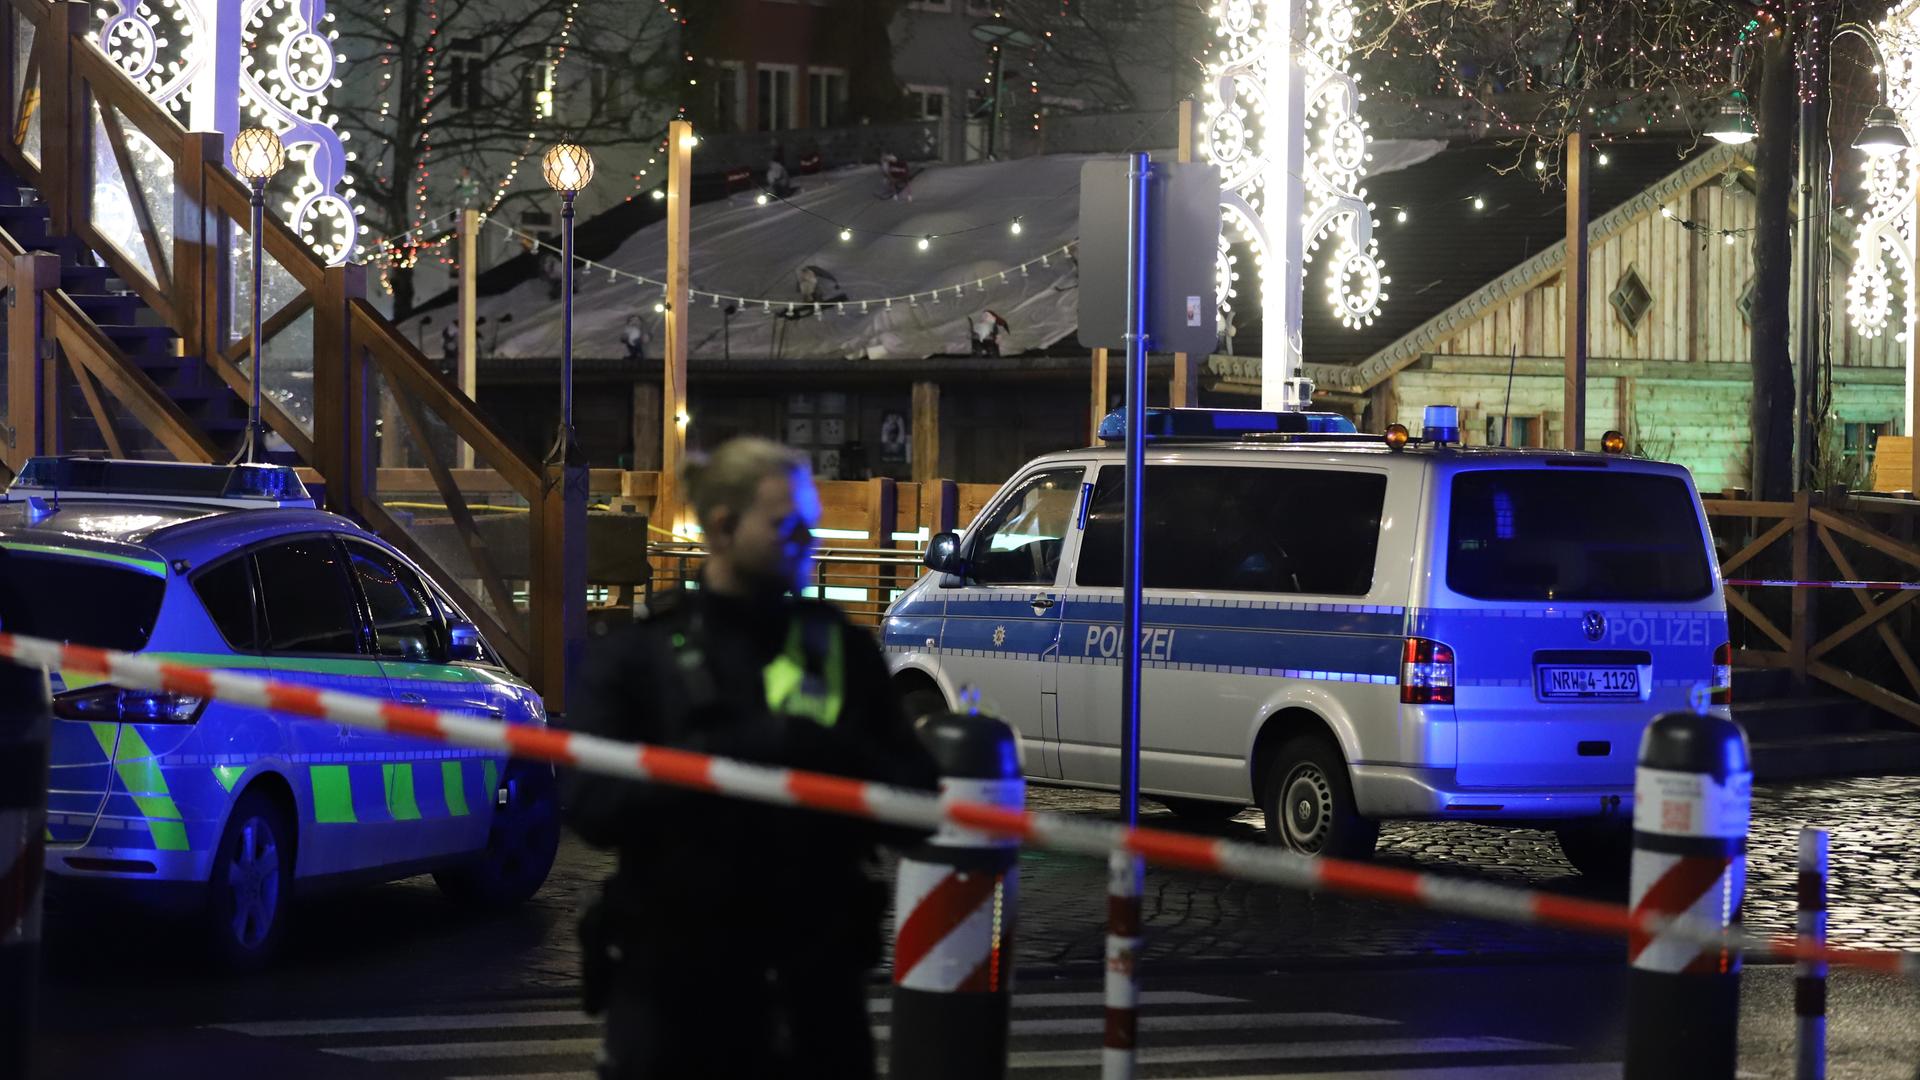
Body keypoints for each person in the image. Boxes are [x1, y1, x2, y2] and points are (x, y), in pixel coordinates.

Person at [566, 437, 939, 1080]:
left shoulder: (839, 651)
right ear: (722, 526)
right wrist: (714, 762)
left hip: (813, 989)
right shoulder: (642, 658)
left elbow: (920, 804)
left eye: (809, 525)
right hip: (678, 991)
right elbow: (590, 805)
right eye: (785, 525)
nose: (806, 541)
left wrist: (833, 759)